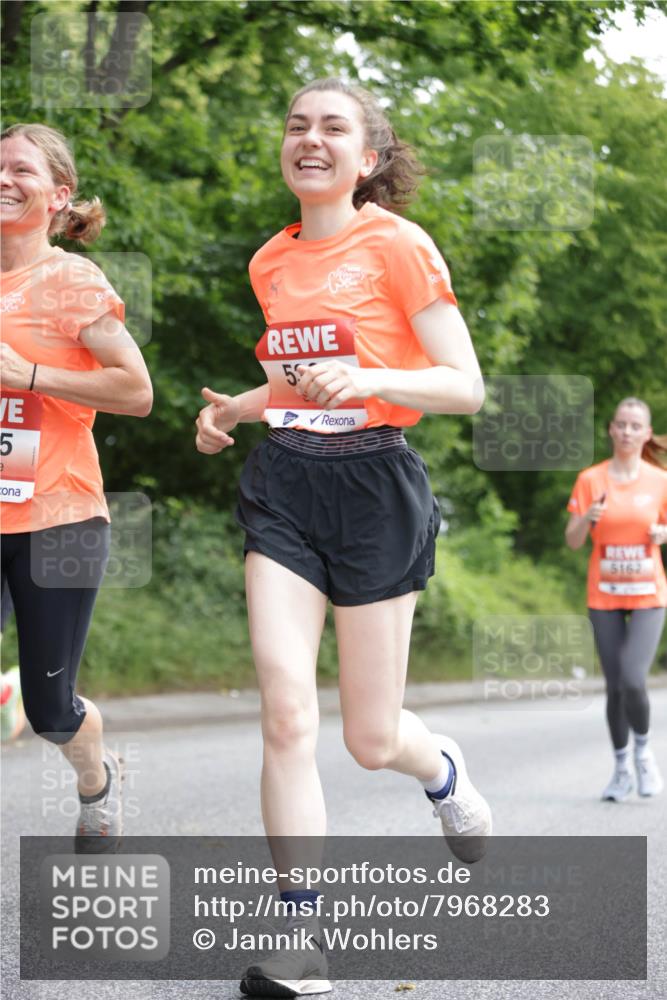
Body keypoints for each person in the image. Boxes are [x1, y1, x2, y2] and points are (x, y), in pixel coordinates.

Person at [196, 77, 491, 997]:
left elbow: (464, 385)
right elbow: (298, 383)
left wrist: (370, 377)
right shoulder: (269, 262)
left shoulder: (398, 245)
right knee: (286, 709)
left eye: (332, 127)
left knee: (370, 738)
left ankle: (442, 770)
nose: (309, 139)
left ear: (366, 159)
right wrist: (237, 409)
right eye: (297, 125)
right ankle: (301, 941)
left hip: (374, 488)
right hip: (286, 484)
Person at [0, 124, 152, 846]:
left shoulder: (73, 282)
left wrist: (26, 374)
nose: (3, 178)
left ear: (59, 196)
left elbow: (136, 390)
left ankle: (97, 778)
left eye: (20, 169)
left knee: (51, 709)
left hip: (57, 518)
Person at [566, 397, 667, 802]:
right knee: (614, 687)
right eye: (621, 424)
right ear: (610, 429)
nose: (627, 431)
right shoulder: (590, 479)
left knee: (632, 679)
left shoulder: (660, 480)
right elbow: (573, 541)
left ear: (646, 434)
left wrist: (664, 534)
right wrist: (586, 518)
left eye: (635, 426)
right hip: (604, 594)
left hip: (648, 594)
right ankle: (621, 768)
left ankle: (644, 754)